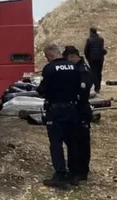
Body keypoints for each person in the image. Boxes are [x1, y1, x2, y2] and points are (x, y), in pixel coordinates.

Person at [36, 44, 83, 189]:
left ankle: (60, 175)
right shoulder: (73, 66)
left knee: (56, 143)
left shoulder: (49, 69)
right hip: (71, 108)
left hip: (55, 109)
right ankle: (74, 174)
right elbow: (78, 87)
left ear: (50, 55)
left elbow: (42, 89)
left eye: (46, 57)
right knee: (72, 142)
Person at [63, 45, 93, 183]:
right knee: (73, 141)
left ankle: (81, 171)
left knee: (81, 142)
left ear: (73, 57)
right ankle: (74, 169)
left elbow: (82, 92)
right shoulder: (77, 69)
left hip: (81, 110)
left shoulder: (83, 70)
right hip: (74, 109)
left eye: (68, 60)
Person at [83, 27, 107, 93]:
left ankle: (96, 87)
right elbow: (102, 49)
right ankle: (98, 87)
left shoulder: (89, 40)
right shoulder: (101, 39)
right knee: (99, 72)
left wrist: (88, 58)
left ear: (91, 32)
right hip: (100, 58)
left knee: (94, 73)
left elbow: (86, 51)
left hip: (92, 59)